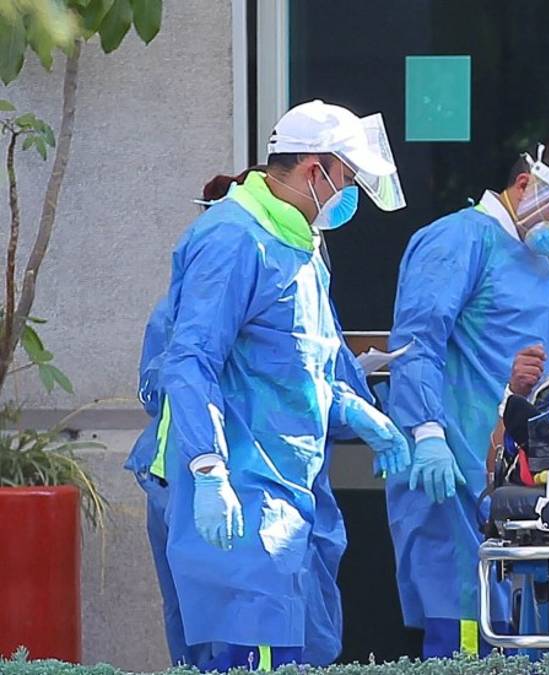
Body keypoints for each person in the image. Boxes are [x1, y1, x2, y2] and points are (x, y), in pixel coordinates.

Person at [125, 99, 410, 671]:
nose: (348, 195)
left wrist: (358, 411)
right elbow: (190, 361)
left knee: (296, 648)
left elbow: (303, 363)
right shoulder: (234, 238)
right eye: (347, 179)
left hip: (287, 488)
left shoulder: (300, 245)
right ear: (315, 169)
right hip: (237, 488)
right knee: (245, 651)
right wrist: (209, 469)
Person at [385, 133, 549, 658]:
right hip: (454, 471)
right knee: (464, 634)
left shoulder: (538, 269)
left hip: (519, 488)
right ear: (524, 184)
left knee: (521, 638)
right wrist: (426, 431)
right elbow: (417, 345)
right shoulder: (457, 241)